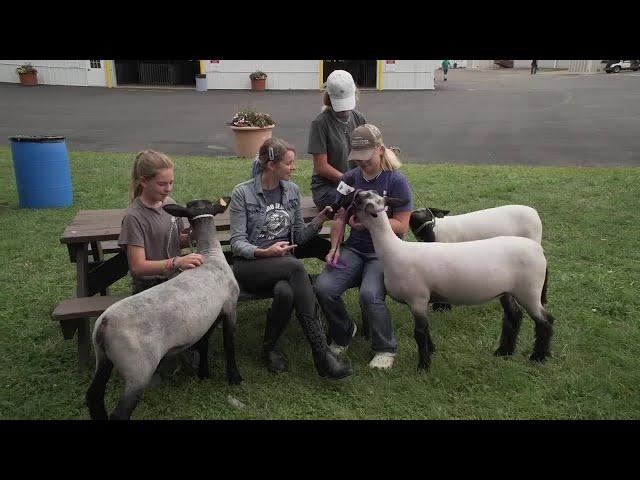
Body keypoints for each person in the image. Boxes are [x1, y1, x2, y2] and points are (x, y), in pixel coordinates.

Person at [229, 137, 352, 379]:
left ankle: (270, 348)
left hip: (282, 267)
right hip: (249, 267)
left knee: (286, 292)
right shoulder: (243, 193)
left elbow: (299, 237)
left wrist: (319, 220)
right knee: (296, 268)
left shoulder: (292, 191)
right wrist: (264, 252)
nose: (294, 167)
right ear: (271, 165)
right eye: (289, 163)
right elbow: (237, 243)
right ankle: (321, 353)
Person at [313, 124, 413, 370]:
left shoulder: (396, 180)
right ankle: (344, 331)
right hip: (355, 249)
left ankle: (385, 347)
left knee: (370, 295)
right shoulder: (349, 179)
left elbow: (402, 226)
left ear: (380, 150)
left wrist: (370, 223)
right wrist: (334, 247)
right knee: (324, 288)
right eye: (357, 158)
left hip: (384, 253)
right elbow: (339, 217)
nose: (361, 164)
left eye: (366, 158)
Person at [118, 150, 205, 379]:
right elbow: (137, 267)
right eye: (162, 184)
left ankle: (187, 352)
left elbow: (175, 239)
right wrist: (176, 261)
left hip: (174, 280)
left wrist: (191, 237)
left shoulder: (170, 205)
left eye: (171, 183)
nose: (168, 189)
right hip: (150, 287)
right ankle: (160, 360)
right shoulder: (134, 217)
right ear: (143, 182)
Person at [308, 69, 367, 210]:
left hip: (354, 185)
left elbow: (368, 154)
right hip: (327, 189)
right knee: (363, 201)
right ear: (329, 98)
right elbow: (321, 167)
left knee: (380, 197)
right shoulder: (320, 123)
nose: (344, 109)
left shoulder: (359, 118)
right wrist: (353, 182)